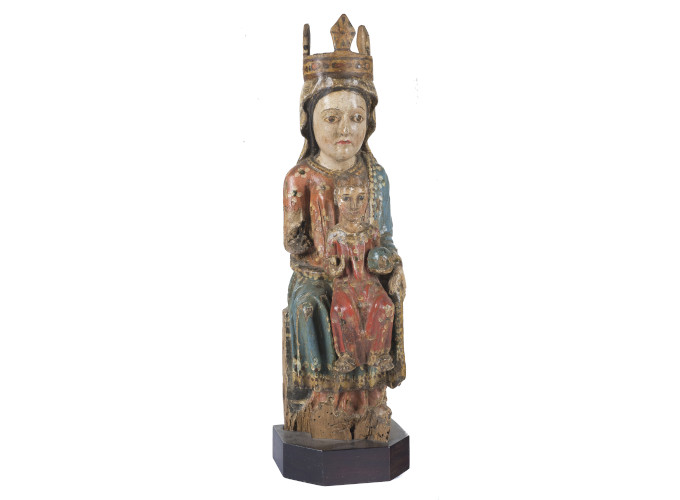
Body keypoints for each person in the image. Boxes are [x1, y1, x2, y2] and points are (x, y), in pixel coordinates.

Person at [282, 15, 406, 439]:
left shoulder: (375, 176)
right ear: (309, 120)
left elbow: (385, 236)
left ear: (369, 121)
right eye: (332, 118)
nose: (345, 130)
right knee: (311, 306)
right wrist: (311, 249)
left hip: (363, 273)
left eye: (356, 118)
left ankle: (368, 400)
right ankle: (324, 400)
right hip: (317, 275)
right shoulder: (300, 178)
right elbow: (294, 245)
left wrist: (385, 259)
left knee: (379, 302)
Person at [326, 171, 395, 374]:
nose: (354, 205)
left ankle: (378, 354)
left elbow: (378, 258)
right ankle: (348, 356)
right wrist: (335, 266)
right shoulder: (335, 235)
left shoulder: (371, 232)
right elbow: (330, 265)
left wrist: (382, 263)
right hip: (346, 283)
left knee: (384, 306)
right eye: (347, 198)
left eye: (361, 198)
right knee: (342, 309)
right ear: (337, 200)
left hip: (369, 282)